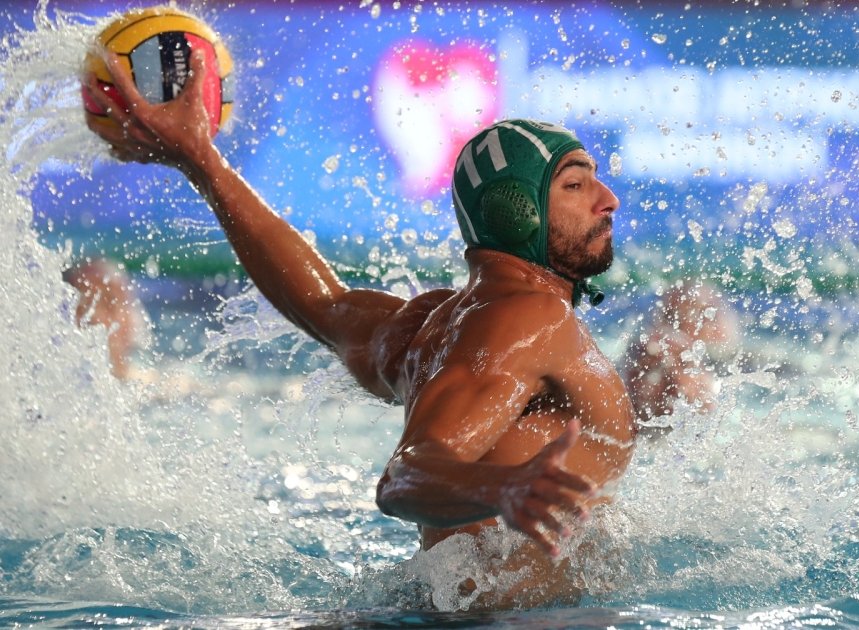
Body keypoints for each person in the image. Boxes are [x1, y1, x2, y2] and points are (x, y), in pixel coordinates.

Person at [83, 49, 635, 609]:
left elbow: (325, 305)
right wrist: (505, 489)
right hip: (509, 620)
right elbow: (405, 475)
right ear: (516, 211)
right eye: (575, 185)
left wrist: (203, 162)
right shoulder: (528, 321)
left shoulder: (431, 325)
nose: (607, 200)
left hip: (437, 608)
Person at [621, 283, 740, 434]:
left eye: (709, 315)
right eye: (671, 316)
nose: (714, 325)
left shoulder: (733, 367)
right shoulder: (647, 352)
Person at [63, 257, 148, 380]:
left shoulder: (160, 385)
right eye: (82, 305)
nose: (95, 317)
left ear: (129, 322)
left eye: (109, 304)